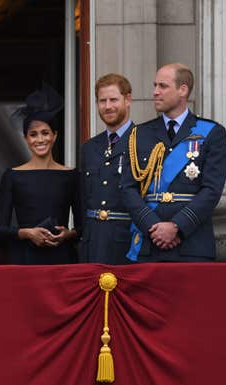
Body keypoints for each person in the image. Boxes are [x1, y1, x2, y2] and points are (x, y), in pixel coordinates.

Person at [121, 63, 226, 262]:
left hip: (192, 244)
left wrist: (177, 226)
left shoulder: (211, 132)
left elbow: (211, 190)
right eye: (155, 85)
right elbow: (128, 188)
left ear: (183, 90)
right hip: (148, 243)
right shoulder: (139, 134)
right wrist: (152, 226)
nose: (155, 92)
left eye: (163, 86)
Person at [0, 83, 80, 265]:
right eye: (33, 134)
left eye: (45, 133)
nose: (40, 139)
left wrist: (67, 234)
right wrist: (28, 233)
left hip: (62, 258)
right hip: (25, 258)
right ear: (26, 138)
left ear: (55, 135)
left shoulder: (71, 175)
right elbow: (0, 230)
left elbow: (83, 228)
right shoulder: (12, 176)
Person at [79, 73, 134, 264]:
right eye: (102, 101)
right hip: (92, 244)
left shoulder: (143, 141)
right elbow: (83, 199)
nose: (108, 106)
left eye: (113, 99)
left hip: (127, 244)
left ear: (128, 100)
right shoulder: (89, 147)